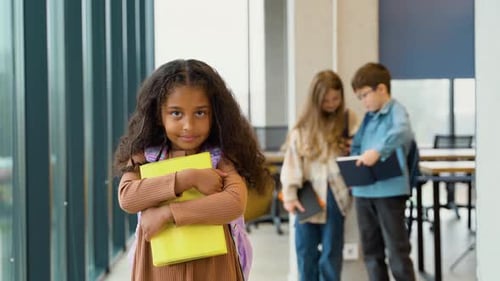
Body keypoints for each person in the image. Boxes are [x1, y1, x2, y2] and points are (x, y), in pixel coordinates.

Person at [114, 59, 270, 281]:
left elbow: (234, 203)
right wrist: (189, 178)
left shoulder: (221, 156)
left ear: (214, 115)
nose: (188, 125)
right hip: (159, 270)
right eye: (176, 113)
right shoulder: (145, 155)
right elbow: (128, 198)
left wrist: (167, 214)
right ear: (159, 115)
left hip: (214, 268)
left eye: (200, 113)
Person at [280, 70, 359, 281]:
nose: (332, 104)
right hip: (307, 194)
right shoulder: (303, 128)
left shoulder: (348, 120)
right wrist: (289, 195)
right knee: (306, 253)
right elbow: (292, 163)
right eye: (326, 100)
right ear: (316, 100)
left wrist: (356, 147)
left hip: (336, 193)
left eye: (336, 99)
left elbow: (360, 150)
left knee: (331, 254)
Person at [350, 62, 416, 281]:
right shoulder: (368, 118)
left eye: (364, 95)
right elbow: (357, 146)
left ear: (381, 89)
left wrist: (378, 151)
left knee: (397, 252)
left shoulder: (396, 110)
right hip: (363, 193)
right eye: (359, 98)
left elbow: (403, 132)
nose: (363, 102)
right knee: (371, 253)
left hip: (389, 192)